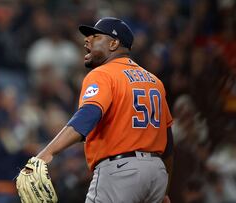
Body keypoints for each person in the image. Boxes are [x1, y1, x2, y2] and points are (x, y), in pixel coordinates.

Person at [28, 17, 174, 203]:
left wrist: (46, 153)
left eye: (96, 36)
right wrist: (164, 189)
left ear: (113, 43)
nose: (87, 40)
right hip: (157, 174)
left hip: (121, 172)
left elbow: (87, 116)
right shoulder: (155, 81)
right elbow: (168, 144)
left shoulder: (103, 73)